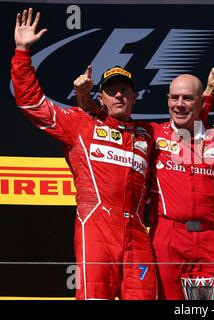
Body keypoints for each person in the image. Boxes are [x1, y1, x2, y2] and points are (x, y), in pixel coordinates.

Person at [11, 8, 157, 300]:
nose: (118, 96)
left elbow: (189, 128)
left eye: (125, 90)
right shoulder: (81, 124)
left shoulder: (149, 133)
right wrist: (22, 52)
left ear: (135, 95)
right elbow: (31, 103)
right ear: (99, 96)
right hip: (97, 231)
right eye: (111, 90)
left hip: (138, 236)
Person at [73, 56, 214, 300]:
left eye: (187, 98)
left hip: (211, 237)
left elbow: (194, 123)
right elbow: (105, 125)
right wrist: (83, 98)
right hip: (167, 235)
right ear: (167, 100)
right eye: (175, 98)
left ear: (199, 102)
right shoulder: (150, 133)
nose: (180, 104)